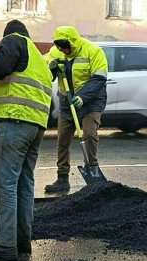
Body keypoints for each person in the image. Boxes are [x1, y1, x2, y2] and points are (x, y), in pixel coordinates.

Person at [0, 20, 53, 261]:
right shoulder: (39, 58)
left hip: (15, 122)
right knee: (25, 183)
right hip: (36, 127)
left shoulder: (14, 40)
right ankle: (22, 241)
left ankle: (6, 245)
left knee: (6, 184)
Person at [44, 26, 108, 193]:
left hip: (90, 102)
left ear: (73, 43)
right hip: (67, 103)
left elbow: (99, 79)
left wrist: (82, 97)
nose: (63, 51)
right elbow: (46, 76)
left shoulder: (93, 51)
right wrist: (51, 69)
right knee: (62, 140)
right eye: (60, 47)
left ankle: (92, 168)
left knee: (88, 133)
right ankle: (62, 178)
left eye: (66, 47)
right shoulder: (55, 52)